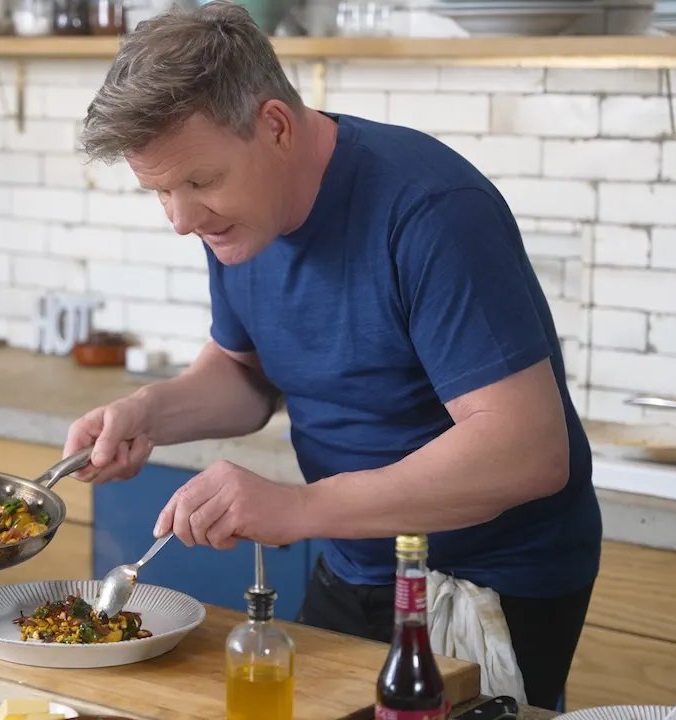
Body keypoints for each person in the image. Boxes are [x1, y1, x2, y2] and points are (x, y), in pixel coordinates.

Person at [62, 0, 602, 710]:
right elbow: (245, 372)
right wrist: (148, 413)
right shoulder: (237, 218)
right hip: (354, 553)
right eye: (160, 191)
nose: (181, 220)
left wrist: (299, 507)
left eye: (199, 182)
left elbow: (526, 452)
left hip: (484, 579)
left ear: (276, 126)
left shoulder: (432, 210)